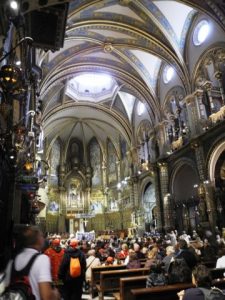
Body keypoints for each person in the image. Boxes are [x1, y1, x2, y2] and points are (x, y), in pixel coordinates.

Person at [3, 225, 60, 300]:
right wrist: (56, 294)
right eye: (42, 236)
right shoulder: (42, 259)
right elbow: (46, 297)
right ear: (38, 240)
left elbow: (5, 288)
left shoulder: (12, 261)